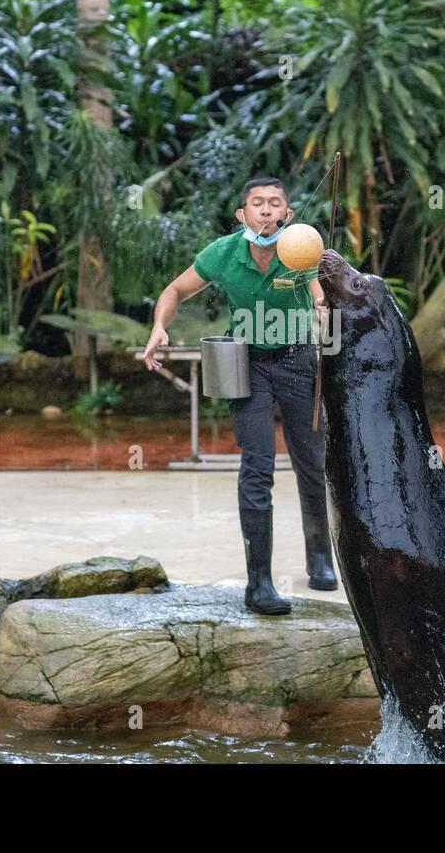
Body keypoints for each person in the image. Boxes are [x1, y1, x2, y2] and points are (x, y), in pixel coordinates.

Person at [142, 176, 337, 615]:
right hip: (246, 364)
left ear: (287, 215)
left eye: (275, 205)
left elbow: (320, 294)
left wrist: (324, 309)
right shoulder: (222, 253)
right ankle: (259, 582)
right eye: (257, 204)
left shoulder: (302, 249)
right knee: (257, 466)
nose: (266, 211)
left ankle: (320, 555)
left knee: (311, 461)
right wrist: (160, 326)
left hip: (298, 359)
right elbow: (175, 290)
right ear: (242, 215)